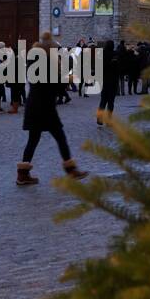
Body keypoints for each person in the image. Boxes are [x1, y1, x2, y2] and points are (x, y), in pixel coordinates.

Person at [16, 32, 87, 185]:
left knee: (33, 140)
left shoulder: (34, 62)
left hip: (36, 105)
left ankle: (22, 173)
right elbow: (54, 85)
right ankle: (71, 170)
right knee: (59, 137)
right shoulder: (47, 64)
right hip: (44, 107)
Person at [96, 39, 120, 127]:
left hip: (105, 80)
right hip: (113, 81)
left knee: (103, 101)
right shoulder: (115, 55)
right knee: (111, 102)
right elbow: (118, 68)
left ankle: (99, 118)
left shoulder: (102, 54)